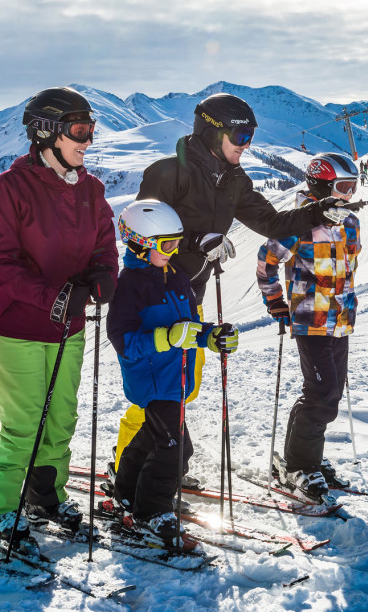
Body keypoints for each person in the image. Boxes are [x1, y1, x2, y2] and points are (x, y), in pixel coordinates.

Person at [112, 92, 350, 478]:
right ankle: (127, 467)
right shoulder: (168, 173)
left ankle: (160, 460)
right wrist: (195, 242)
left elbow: (272, 224)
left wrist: (318, 211)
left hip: (191, 297)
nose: (247, 145)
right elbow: (138, 231)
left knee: (181, 387)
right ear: (211, 132)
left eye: (251, 136)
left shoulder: (234, 181)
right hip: (150, 299)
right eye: (240, 137)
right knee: (152, 391)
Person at [0, 87, 119, 553]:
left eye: (91, 130)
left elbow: (104, 248)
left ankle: (45, 498)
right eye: (79, 131)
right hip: (14, 325)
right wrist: (57, 296)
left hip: (67, 325)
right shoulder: (8, 190)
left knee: (60, 419)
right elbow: (1, 263)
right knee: (22, 424)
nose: (87, 141)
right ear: (46, 133)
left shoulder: (92, 191)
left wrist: (102, 279)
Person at [107, 200, 238, 550]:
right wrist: (166, 338)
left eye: (176, 243)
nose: (174, 250)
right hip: (152, 380)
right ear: (139, 243)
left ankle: (126, 495)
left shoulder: (176, 276)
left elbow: (189, 326)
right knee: (174, 448)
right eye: (167, 245)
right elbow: (123, 342)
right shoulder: (129, 286)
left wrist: (211, 335)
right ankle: (151, 512)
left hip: (175, 378)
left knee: (153, 438)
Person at [257, 153, 361, 502]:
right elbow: (266, 264)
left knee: (331, 395)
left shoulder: (349, 223)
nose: (348, 195)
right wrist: (275, 301)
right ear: (320, 186)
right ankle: (299, 465)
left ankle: (305, 459)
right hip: (310, 319)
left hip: (341, 320)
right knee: (320, 395)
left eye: (353, 187)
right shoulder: (295, 223)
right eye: (342, 187)